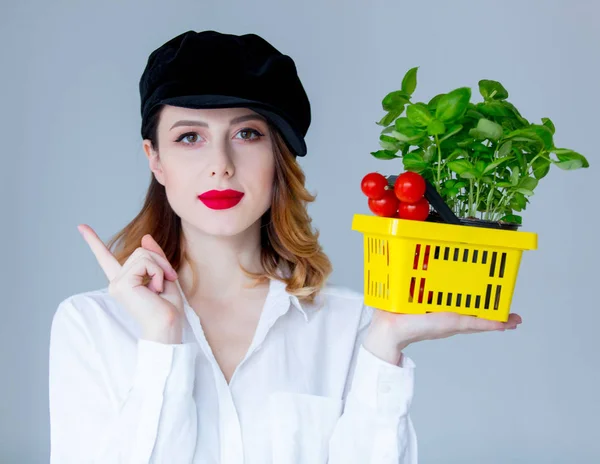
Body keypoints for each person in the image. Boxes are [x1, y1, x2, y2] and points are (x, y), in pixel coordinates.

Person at [48, 30, 522, 464]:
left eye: (247, 134)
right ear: (155, 159)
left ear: (278, 156)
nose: (221, 165)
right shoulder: (92, 327)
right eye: (189, 137)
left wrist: (385, 346)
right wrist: (162, 340)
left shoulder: (352, 324)